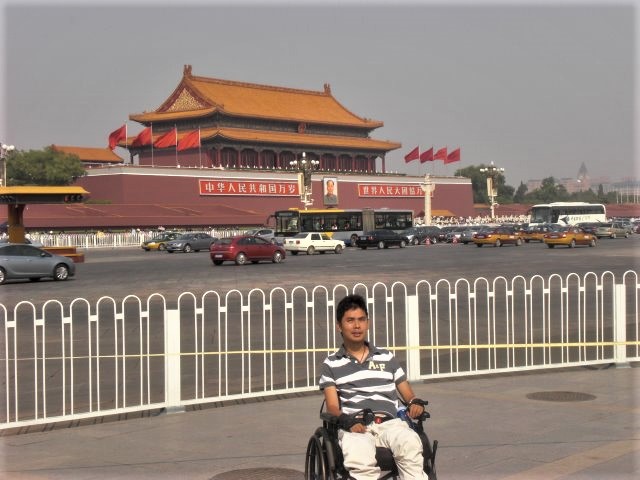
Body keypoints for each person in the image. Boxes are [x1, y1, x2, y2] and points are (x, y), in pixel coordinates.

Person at [319, 294, 428, 480]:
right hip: (356, 426)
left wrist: (414, 402)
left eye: (361, 320)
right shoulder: (331, 364)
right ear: (339, 326)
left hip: (391, 424)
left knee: (410, 443)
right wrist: (347, 422)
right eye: (350, 320)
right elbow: (332, 407)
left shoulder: (386, 358)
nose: (357, 326)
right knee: (359, 459)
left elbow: (408, 394)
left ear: (367, 323)